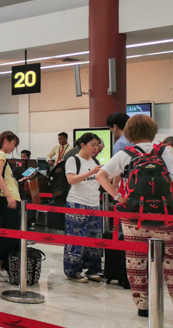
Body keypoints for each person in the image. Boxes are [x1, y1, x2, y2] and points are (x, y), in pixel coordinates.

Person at [96, 114, 173, 318]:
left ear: (129, 132)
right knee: (171, 263)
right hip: (165, 217)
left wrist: (117, 196)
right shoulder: (167, 151)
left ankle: (142, 305)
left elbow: (101, 175)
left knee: (136, 262)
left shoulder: (125, 154)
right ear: (153, 130)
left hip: (133, 217)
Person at [63, 132, 103, 283]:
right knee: (76, 239)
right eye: (93, 145)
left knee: (94, 238)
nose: (95, 148)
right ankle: (73, 271)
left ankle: (93, 269)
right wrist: (91, 173)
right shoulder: (73, 160)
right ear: (83, 145)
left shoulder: (95, 161)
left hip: (94, 204)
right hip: (77, 203)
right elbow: (71, 180)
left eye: (97, 145)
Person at [0, 131, 21, 283]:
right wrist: (9, 196)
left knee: (8, 234)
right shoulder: (0, 155)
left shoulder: (0, 155)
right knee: (7, 235)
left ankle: (0, 266)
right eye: (13, 144)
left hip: (9, 198)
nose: (13, 148)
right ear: (6, 141)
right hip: (6, 200)